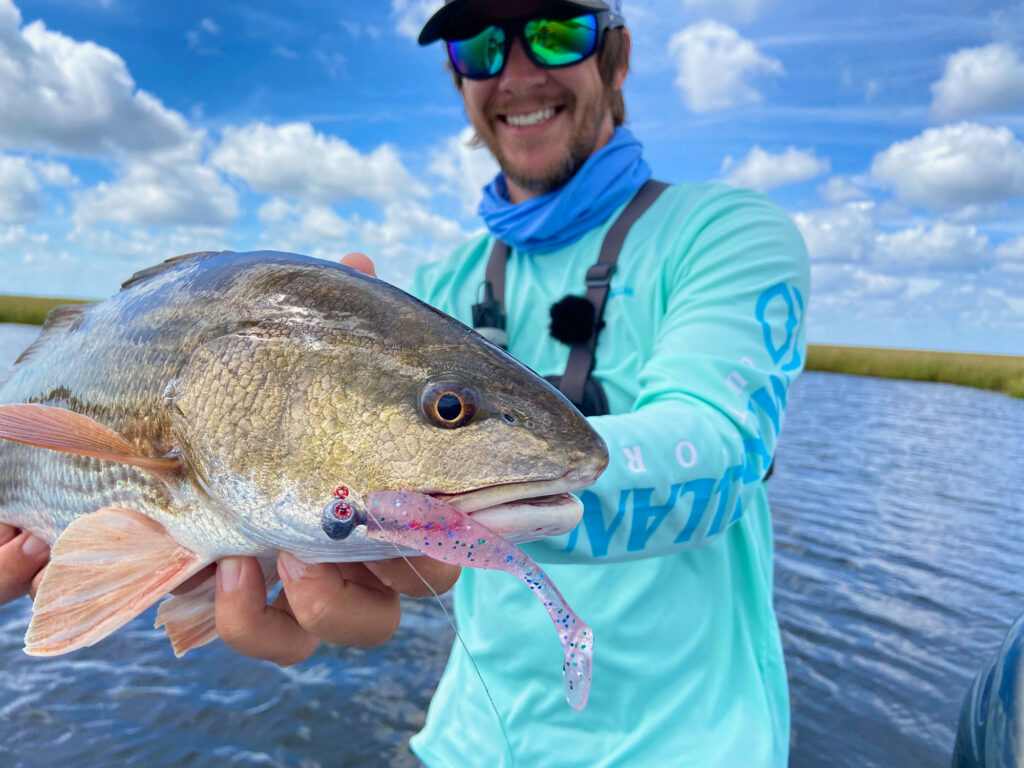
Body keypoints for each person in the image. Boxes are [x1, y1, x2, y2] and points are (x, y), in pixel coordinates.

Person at [0, 0, 810, 765]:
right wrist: (265, 527)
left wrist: (376, 514)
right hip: (462, 744)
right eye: (481, 47)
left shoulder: (726, 233)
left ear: (619, 54)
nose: (517, 71)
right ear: (460, 82)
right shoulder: (438, 280)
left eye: (556, 30)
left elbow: (722, 456)